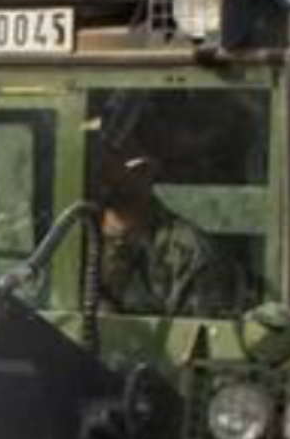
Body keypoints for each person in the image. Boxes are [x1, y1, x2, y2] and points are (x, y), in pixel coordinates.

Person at [90, 129, 211, 315]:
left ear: (146, 170)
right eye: (103, 157)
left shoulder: (187, 248)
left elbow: (202, 326)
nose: (105, 168)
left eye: (118, 158)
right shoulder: (71, 234)